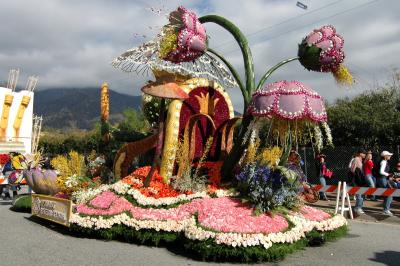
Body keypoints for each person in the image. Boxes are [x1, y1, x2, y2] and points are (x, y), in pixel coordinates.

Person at [348, 149, 366, 215]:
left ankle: (359, 207)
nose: (365, 154)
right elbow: (352, 169)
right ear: (360, 153)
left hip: (359, 179)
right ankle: (357, 208)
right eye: (364, 153)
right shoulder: (356, 159)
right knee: (359, 194)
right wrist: (357, 173)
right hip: (356, 179)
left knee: (361, 194)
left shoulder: (360, 160)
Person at [377, 151, 394, 216]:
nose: (390, 156)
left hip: (383, 179)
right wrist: (388, 174)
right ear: (385, 156)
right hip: (382, 179)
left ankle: (386, 209)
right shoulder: (383, 162)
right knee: (389, 193)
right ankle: (386, 210)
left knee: (388, 193)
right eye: (389, 155)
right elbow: (381, 172)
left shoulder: (384, 161)